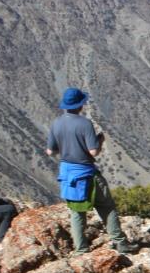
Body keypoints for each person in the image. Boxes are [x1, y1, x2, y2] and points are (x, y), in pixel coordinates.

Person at [45, 87, 135, 255]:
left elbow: (50, 151)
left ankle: (81, 249)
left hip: (68, 174)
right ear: (80, 105)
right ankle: (120, 243)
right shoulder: (84, 124)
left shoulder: (56, 123)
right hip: (86, 173)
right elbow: (93, 151)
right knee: (106, 206)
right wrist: (99, 140)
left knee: (77, 211)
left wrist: (66, 147)